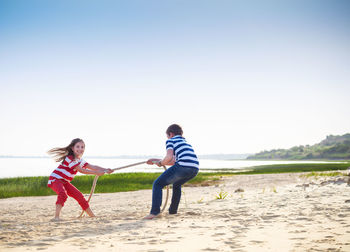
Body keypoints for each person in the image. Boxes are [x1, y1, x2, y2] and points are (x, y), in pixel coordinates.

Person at [47, 138, 113, 221]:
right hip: (55, 179)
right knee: (62, 194)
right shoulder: (69, 158)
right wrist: (96, 173)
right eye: (77, 147)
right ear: (72, 148)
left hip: (65, 181)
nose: (80, 149)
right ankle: (56, 217)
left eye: (82, 147)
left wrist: (106, 170)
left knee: (79, 196)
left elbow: (93, 167)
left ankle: (92, 216)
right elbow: (81, 170)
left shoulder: (80, 160)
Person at [145, 124, 199, 219]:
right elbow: (173, 161)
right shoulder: (185, 142)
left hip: (183, 166)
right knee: (177, 185)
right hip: (194, 168)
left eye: (167, 136)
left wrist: (161, 163)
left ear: (170, 134)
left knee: (157, 184)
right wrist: (157, 161)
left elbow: (169, 157)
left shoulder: (171, 140)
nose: (167, 138)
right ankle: (173, 211)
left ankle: (154, 212)